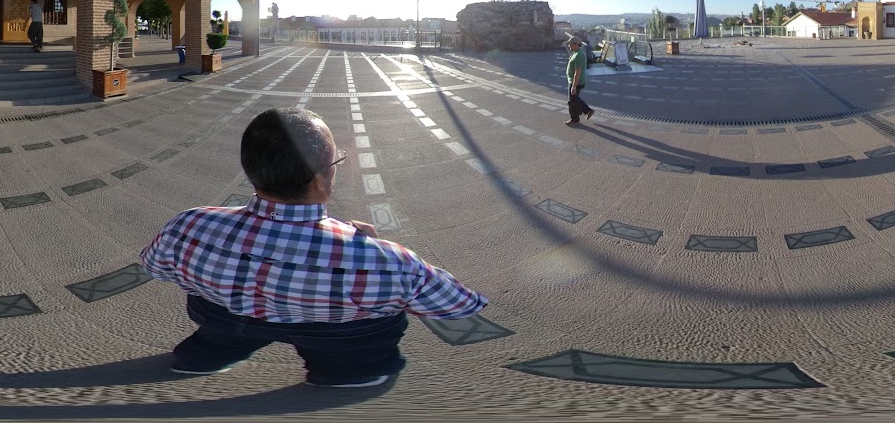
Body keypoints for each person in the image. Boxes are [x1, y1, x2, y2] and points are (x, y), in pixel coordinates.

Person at [140, 108, 488, 387]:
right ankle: (343, 375)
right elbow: (458, 305)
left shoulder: (189, 223)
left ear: (250, 168)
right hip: (334, 332)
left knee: (223, 334)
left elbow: (155, 266)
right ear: (322, 178)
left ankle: (203, 360)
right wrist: (376, 248)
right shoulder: (384, 260)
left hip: (223, 315)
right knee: (381, 323)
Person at [565, 38, 594, 125]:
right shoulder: (576, 53)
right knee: (575, 99)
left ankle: (575, 119)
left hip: (577, 81)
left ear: (576, 44)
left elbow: (577, 72)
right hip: (574, 80)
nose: (569, 45)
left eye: (570, 44)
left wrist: (574, 86)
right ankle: (588, 111)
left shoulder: (579, 55)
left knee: (572, 101)